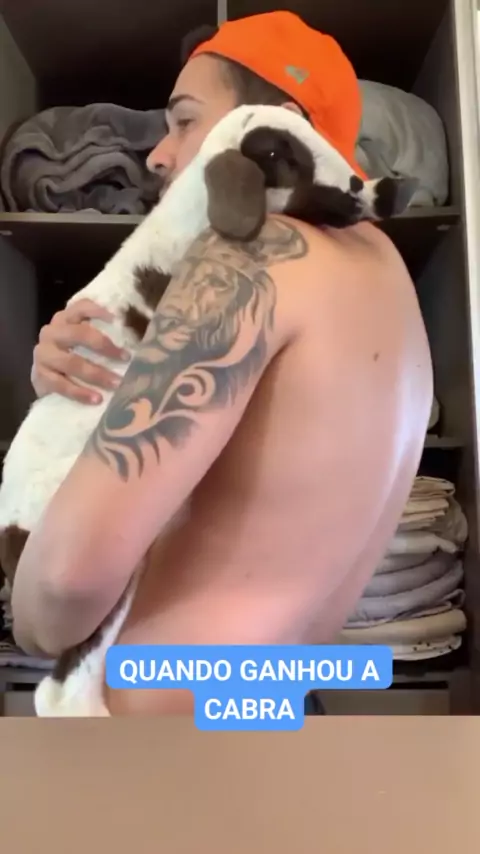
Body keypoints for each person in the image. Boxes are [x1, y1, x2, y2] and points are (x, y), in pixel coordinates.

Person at [11, 11, 433, 716]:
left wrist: (26, 616)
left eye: (184, 120)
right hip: (269, 710)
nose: (157, 156)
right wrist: (74, 395)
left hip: (164, 749)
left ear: (274, 125)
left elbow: (63, 583)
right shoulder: (389, 282)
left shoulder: (247, 253)